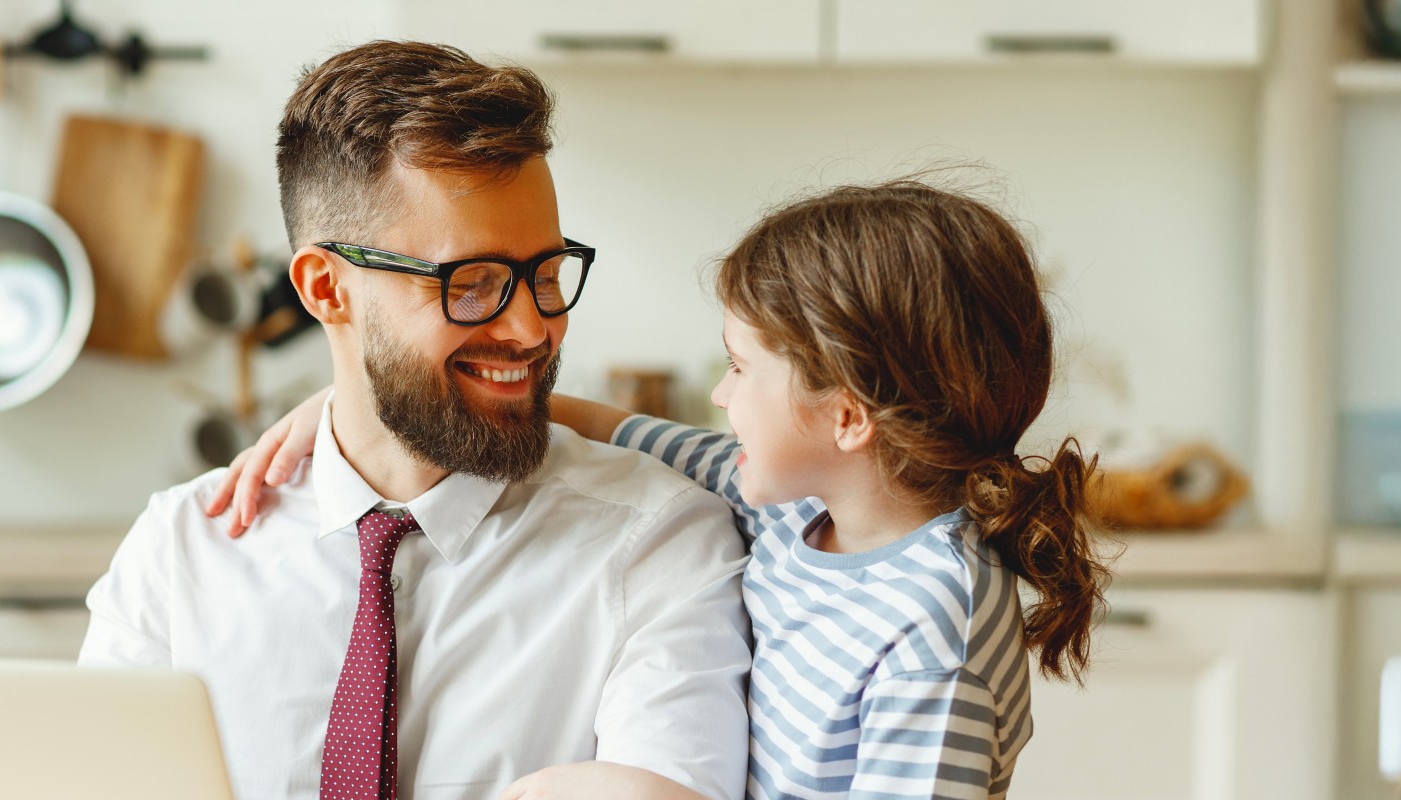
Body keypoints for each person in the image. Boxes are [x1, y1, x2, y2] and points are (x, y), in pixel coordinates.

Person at [216, 177, 1112, 799]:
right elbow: (606, 425)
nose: (720, 398)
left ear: (845, 418)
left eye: (738, 369)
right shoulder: (797, 503)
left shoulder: (933, 632)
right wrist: (354, 405)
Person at [77, 41, 750, 800]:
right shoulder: (181, 553)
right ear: (326, 289)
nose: (532, 330)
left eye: (547, 274)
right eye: (474, 283)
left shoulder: (655, 546)